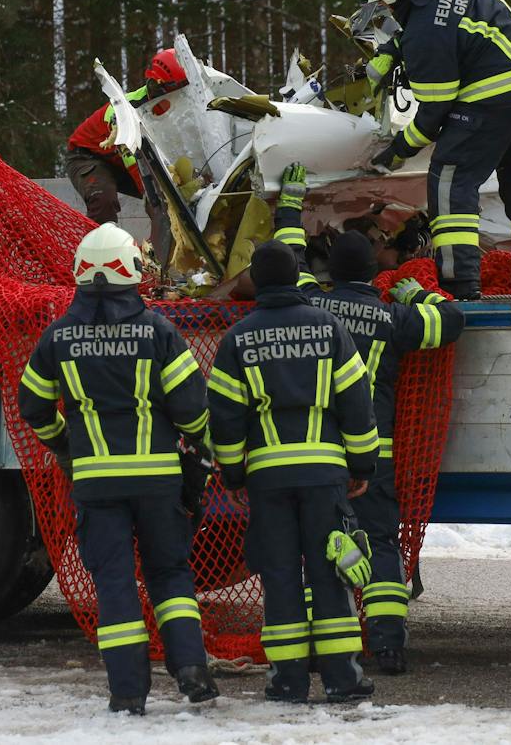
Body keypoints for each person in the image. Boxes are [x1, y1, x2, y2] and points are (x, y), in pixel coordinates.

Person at [18, 223, 218, 715]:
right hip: (159, 481)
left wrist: (65, 444)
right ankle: (192, 671)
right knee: (170, 575)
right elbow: (193, 411)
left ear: (82, 274)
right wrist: (205, 453)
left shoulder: (58, 336)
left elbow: (33, 406)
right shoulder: (159, 331)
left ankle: (128, 692)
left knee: (113, 582)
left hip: (96, 481)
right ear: (131, 270)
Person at [273, 163, 465, 674]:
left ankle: (320, 646)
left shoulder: (311, 303)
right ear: (372, 275)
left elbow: (288, 260)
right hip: (375, 455)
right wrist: (413, 293)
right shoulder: (393, 317)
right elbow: (451, 322)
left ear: (332, 272)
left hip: (322, 455)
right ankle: (388, 645)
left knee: (321, 545)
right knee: (379, 545)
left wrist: (292, 202)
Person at [207, 240, 380, 704]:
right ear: (297, 276)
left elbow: (224, 417)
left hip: (268, 479)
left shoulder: (237, 338)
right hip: (325, 476)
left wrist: (233, 474)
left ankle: (287, 681)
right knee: (332, 573)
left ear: (259, 283)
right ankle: (343, 680)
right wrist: (362, 464)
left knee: (280, 577)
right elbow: (356, 401)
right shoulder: (330, 329)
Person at [352, 0, 511, 299]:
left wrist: (400, 148)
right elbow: (440, 21)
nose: (382, 8)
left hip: (496, 93)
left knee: (450, 180)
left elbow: (435, 111)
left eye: (380, 1)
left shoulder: (424, 34)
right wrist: (393, 47)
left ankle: (459, 285)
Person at [66, 49, 189, 224]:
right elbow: (133, 159)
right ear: (158, 87)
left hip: (122, 161)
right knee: (103, 199)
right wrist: (155, 200)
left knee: (179, 195)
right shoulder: (125, 111)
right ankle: (100, 247)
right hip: (88, 156)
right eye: (175, 91)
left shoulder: (177, 108)